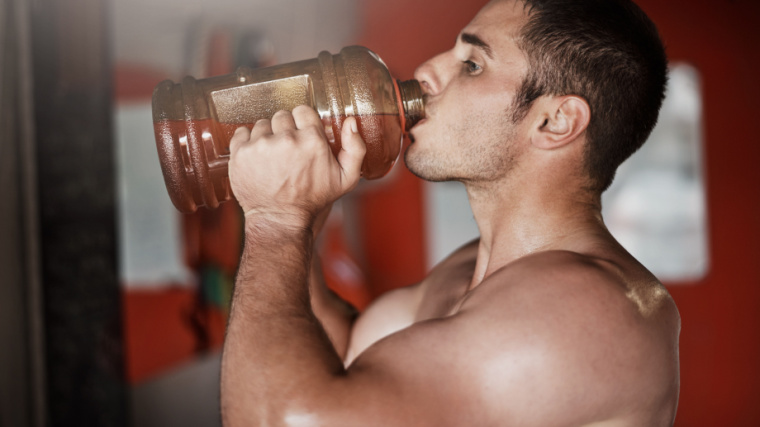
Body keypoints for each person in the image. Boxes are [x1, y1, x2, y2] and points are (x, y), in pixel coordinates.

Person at [221, 0, 681, 425]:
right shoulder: (474, 267)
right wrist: (303, 217)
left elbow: (284, 418)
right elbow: (347, 356)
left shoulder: (589, 310)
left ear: (554, 121)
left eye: (473, 65)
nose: (426, 72)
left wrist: (275, 221)